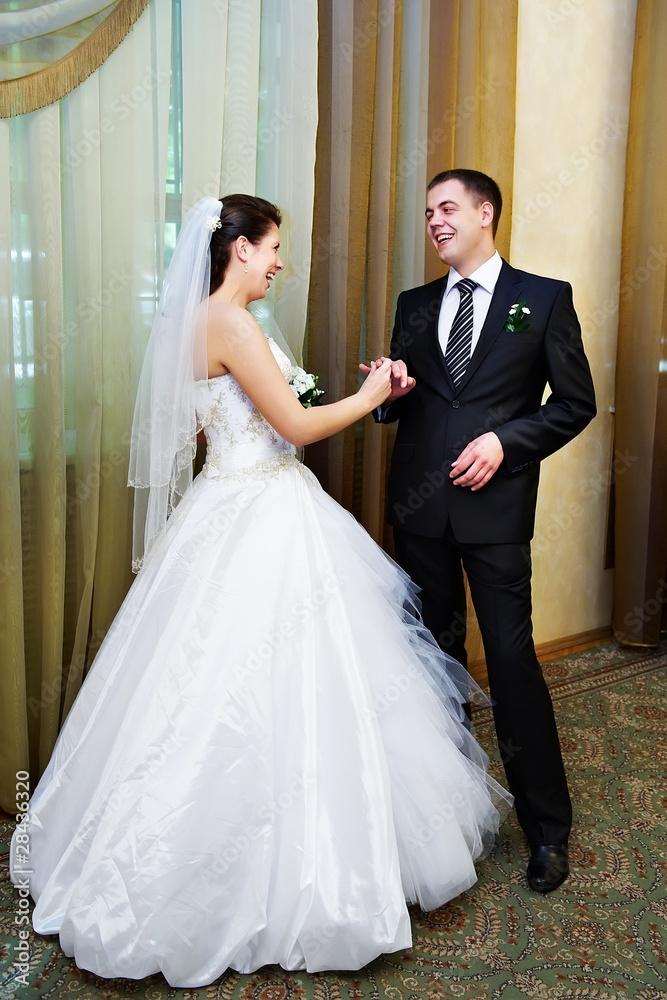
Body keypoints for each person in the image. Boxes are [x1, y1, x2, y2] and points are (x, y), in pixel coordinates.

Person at [10, 194, 512, 988]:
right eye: (273, 245)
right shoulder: (234, 324)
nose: (280, 260)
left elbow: (247, 416)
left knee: (209, 680)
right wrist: (377, 393)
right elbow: (300, 428)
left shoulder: (203, 323)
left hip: (230, 502)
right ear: (237, 247)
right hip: (262, 509)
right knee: (278, 680)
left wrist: (340, 393)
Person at [367, 169, 596, 894]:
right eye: (427, 211)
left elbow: (573, 404)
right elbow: (400, 403)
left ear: (483, 212)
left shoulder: (543, 298)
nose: (433, 221)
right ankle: (450, 818)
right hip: (419, 510)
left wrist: (506, 443)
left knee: (509, 661)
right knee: (433, 661)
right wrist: (387, 394)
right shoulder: (414, 303)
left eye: (445, 208)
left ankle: (545, 831)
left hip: (494, 511)